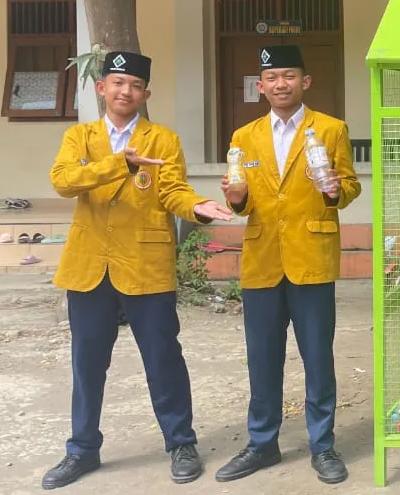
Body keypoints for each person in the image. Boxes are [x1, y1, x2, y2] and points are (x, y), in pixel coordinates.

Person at [43, 51, 236, 490]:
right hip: (89, 267)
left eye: (134, 85)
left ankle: (181, 442)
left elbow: (173, 191)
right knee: (87, 364)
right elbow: (63, 179)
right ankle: (82, 449)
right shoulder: (80, 137)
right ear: (101, 88)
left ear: (145, 93)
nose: (125, 91)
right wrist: (119, 164)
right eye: (117, 83)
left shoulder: (162, 140)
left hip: (146, 265)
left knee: (163, 357)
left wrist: (198, 206)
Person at [214, 45, 361, 485]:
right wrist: (235, 201)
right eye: (272, 77)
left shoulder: (331, 129)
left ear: (305, 81)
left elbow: (348, 186)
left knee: (317, 357)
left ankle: (323, 445)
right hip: (261, 261)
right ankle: (262, 444)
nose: (281, 84)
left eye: (289, 76)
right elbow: (240, 197)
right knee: (262, 358)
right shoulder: (244, 136)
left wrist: (335, 190)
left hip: (311, 258)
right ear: (260, 86)